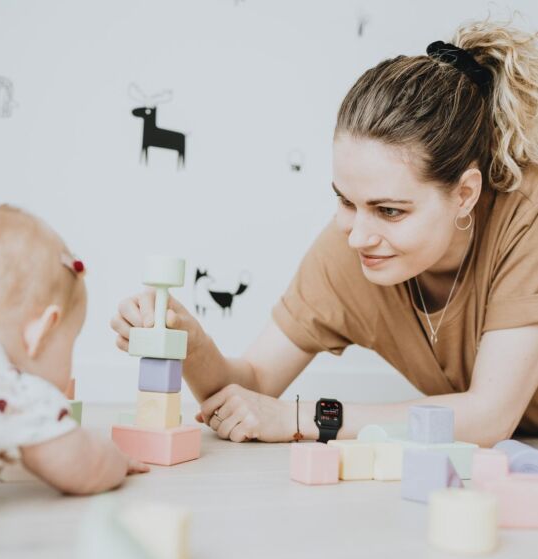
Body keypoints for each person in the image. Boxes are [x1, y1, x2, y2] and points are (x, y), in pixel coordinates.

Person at [112, 19, 538, 448]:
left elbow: (489, 418)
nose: (356, 237)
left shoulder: (527, 221)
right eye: (346, 201)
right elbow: (255, 387)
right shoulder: (354, 247)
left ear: (465, 194)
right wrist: (190, 344)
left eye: (389, 210)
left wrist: (308, 417)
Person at [0, 205, 149, 513]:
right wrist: (116, 460)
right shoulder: (13, 387)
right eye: (71, 343)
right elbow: (88, 468)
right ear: (41, 332)